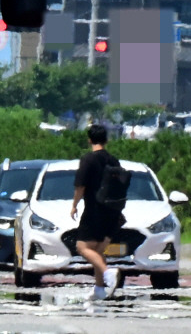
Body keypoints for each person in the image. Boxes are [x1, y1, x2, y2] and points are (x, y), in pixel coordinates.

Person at [71, 124, 122, 301]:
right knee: (98, 251)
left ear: (89, 139)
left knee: (82, 247)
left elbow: (80, 186)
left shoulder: (88, 160)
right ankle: (99, 289)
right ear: (106, 140)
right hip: (113, 212)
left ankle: (108, 274)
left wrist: (74, 205)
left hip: (94, 211)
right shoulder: (114, 161)